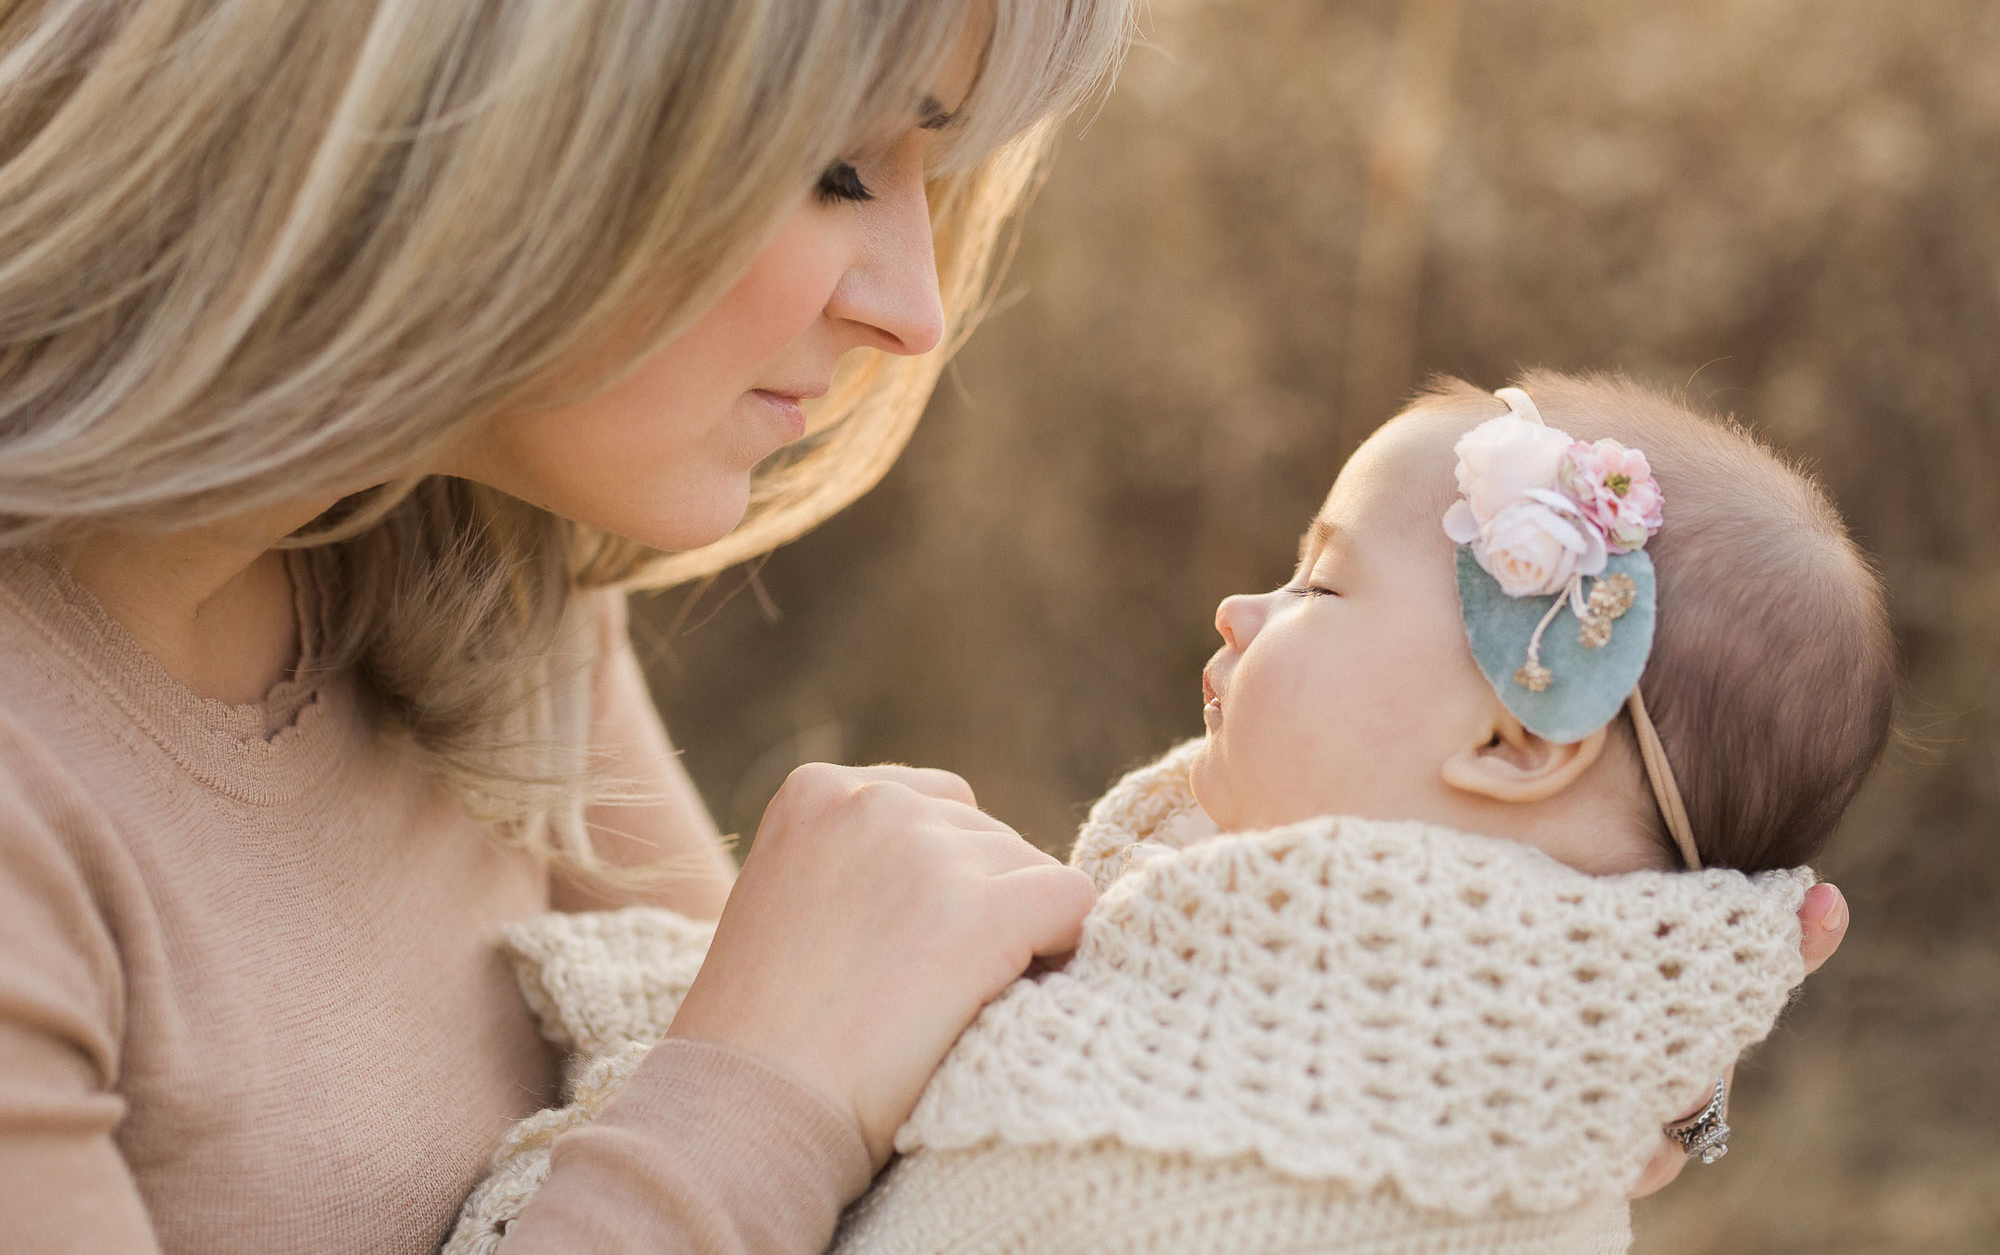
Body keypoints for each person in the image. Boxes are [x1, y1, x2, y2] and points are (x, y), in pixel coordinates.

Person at [0, 0, 1140, 1251]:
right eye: (840, 167)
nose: (915, 310)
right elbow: (774, 1118)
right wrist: (767, 1097)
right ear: (481, 85)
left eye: (931, 176)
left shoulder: (476, 568)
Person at [446, 371, 1887, 1253]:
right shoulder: (1281, 977)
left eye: (1321, 587)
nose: (1242, 605)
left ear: (1513, 737)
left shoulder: (1362, 1127)